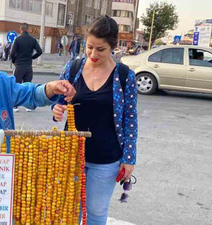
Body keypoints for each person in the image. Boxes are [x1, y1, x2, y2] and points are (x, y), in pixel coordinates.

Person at [52, 15, 138, 225]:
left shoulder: (125, 76)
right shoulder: (73, 69)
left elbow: (130, 120)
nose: (93, 54)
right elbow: (57, 100)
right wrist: (56, 109)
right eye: (89, 47)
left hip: (106, 158)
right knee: (71, 210)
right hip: (71, 154)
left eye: (101, 49)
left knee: (96, 212)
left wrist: (129, 158)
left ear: (113, 47)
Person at [10, 23, 43, 112]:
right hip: (28, 66)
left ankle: (15, 106)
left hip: (19, 65)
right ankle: (27, 106)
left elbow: (12, 53)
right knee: (27, 86)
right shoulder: (32, 40)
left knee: (16, 85)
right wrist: (32, 57)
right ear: (28, 29)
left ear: (20, 30)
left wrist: (14, 61)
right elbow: (39, 51)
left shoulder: (18, 39)